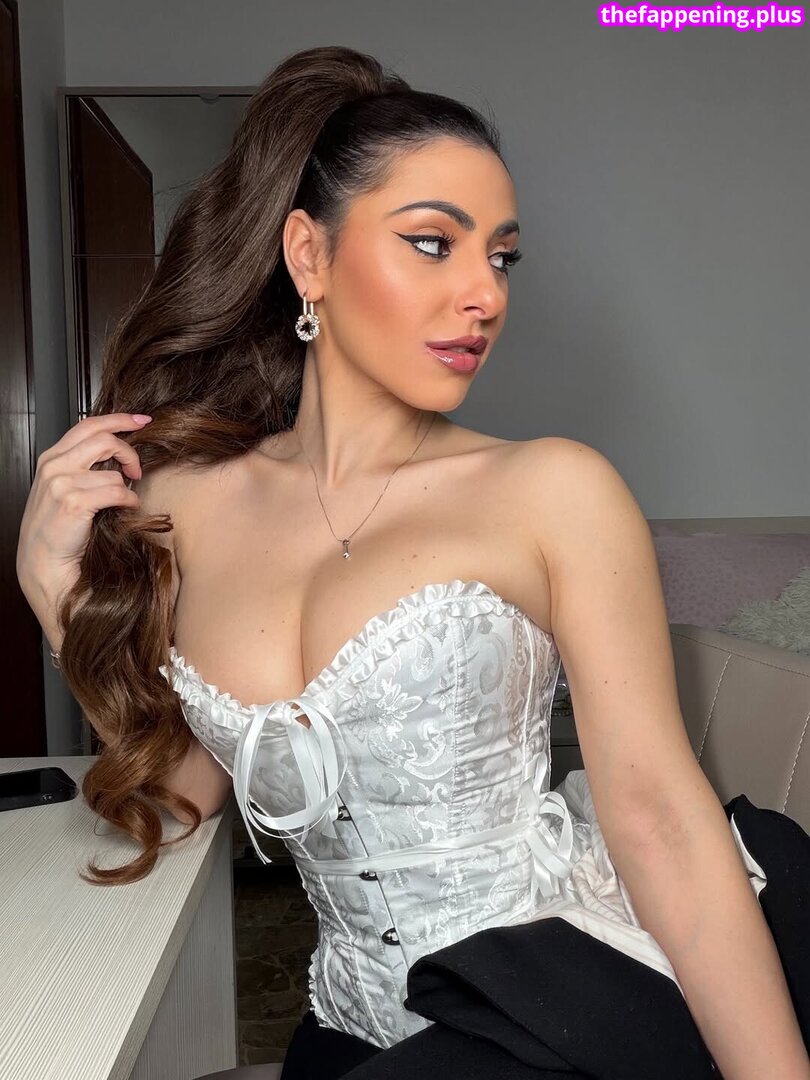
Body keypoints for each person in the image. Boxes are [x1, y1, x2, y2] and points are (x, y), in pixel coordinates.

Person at [16, 44, 810, 1080]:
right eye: (434, 243)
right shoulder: (182, 506)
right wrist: (59, 596)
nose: (485, 293)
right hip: (351, 1028)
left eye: (502, 257)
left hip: (557, 1005)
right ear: (309, 256)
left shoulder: (554, 490)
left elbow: (660, 818)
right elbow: (182, 795)